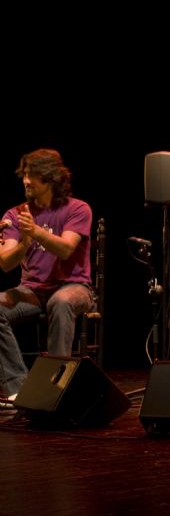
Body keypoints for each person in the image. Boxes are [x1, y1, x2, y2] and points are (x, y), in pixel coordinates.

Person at [0, 148, 95, 402]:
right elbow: (5, 263)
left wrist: (36, 232)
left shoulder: (78, 209)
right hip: (33, 291)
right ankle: (18, 389)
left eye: (32, 175)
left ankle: (55, 390)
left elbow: (66, 249)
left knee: (60, 302)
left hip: (74, 287)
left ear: (50, 178)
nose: (26, 181)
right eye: (24, 175)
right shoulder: (15, 214)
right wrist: (24, 242)